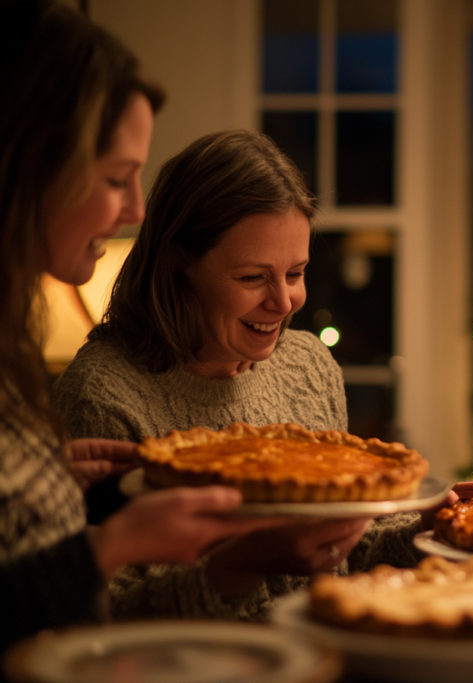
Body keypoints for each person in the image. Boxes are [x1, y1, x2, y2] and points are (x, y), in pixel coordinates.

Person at [52, 127, 473, 620]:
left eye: (296, 273)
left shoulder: (308, 366)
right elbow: (96, 616)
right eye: (253, 277)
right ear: (179, 260)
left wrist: (434, 524)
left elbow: (344, 559)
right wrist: (241, 566)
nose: (284, 301)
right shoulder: (103, 396)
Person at [0, 0, 297, 652]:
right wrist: (114, 545)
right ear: (31, 168)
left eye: (296, 271)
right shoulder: (103, 388)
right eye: (116, 178)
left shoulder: (10, 353)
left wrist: (51, 476)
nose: (136, 207)